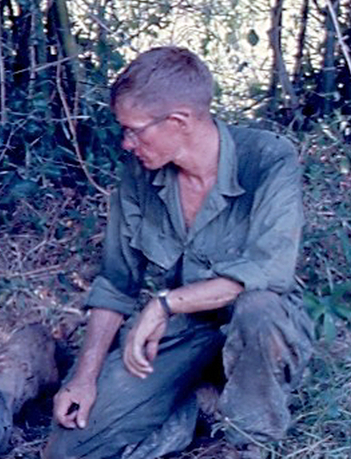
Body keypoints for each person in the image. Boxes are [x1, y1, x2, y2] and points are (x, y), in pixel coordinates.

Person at [42, 46, 314, 459]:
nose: (126, 143)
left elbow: (270, 269)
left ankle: (251, 443)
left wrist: (165, 304)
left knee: (258, 308)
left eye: (134, 130)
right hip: (189, 330)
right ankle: (194, 404)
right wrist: (84, 378)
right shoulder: (138, 174)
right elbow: (116, 282)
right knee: (69, 449)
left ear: (178, 121)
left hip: (261, 329)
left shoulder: (268, 158)